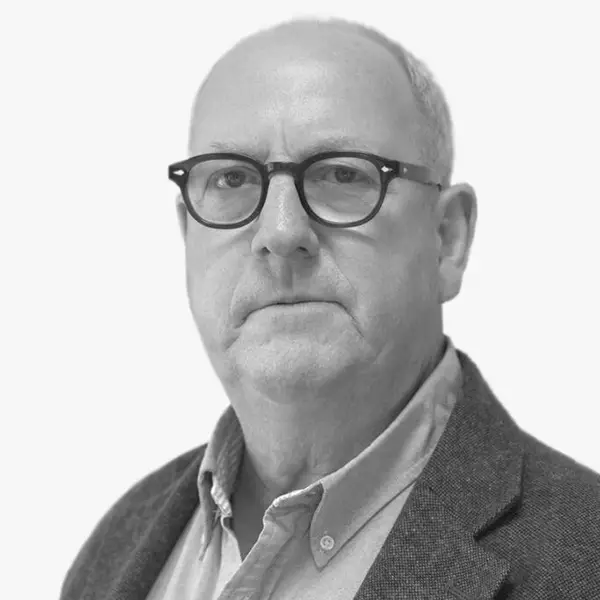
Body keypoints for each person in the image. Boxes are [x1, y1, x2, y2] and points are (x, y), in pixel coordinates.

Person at [60, 17, 600, 600]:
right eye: (232, 180)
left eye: (342, 174)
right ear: (188, 233)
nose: (280, 232)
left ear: (446, 238)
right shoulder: (115, 549)